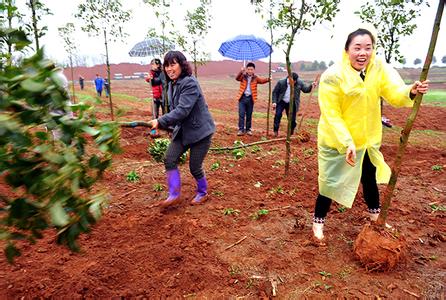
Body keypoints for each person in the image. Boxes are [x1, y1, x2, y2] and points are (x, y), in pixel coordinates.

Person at [312, 28, 429, 242]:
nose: (363, 53)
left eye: (368, 47)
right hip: (336, 140)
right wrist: (346, 141)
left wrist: (410, 91)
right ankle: (318, 223)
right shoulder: (333, 75)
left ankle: (376, 218)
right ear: (347, 50)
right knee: (329, 182)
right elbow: (331, 113)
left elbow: (394, 91)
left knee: (369, 178)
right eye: (357, 48)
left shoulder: (378, 69)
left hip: (366, 140)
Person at [148, 51, 215, 208]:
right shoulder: (172, 84)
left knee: (194, 167)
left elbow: (182, 110)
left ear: (182, 65)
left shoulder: (190, 83)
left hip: (200, 132)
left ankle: (203, 192)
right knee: (169, 158)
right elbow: (175, 111)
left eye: (173, 64)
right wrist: (166, 126)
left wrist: (160, 121)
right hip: (183, 130)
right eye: (166, 65)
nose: (169, 69)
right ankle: (174, 194)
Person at [272, 72, 316, 137]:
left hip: (292, 103)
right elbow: (275, 92)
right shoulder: (281, 82)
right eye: (292, 81)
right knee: (278, 115)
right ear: (288, 78)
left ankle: (290, 133)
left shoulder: (299, 82)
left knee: (292, 119)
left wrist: (311, 86)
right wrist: (274, 102)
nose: (294, 83)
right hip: (281, 101)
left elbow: (306, 90)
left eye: (295, 81)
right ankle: (275, 131)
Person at [235, 62, 270, 136]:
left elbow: (262, 81)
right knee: (241, 114)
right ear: (246, 70)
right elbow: (237, 78)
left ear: (254, 70)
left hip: (251, 99)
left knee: (249, 115)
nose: (250, 71)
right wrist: (241, 71)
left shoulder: (255, 78)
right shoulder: (243, 77)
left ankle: (248, 130)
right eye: (248, 69)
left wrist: (268, 79)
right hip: (242, 98)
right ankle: (241, 130)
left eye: (251, 69)